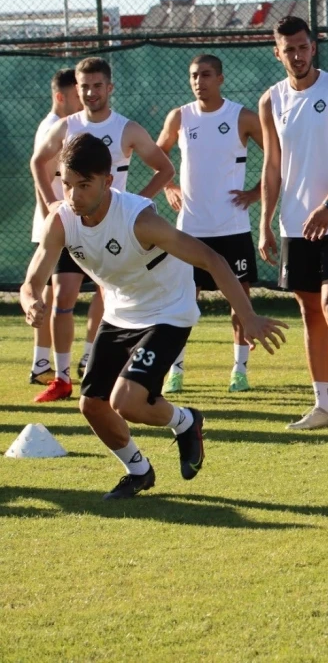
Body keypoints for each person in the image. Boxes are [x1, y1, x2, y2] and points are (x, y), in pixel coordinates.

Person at [21, 133, 288, 500]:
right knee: (92, 405)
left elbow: (212, 260)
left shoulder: (139, 220)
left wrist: (249, 316)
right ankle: (139, 471)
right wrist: (31, 300)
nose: (73, 196)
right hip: (120, 312)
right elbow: (32, 281)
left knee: (126, 402)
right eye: (67, 184)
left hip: (168, 310)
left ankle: (186, 421)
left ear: (107, 181)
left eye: (84, 186)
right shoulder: (61, 221)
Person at [30, 56, 174, 403]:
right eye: (85, 87)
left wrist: (135, 203)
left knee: (113, 301)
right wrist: (52, 203)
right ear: (77, 90)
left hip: (114, 233)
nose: (91, 92)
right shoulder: (66, 126)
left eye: (97, 86)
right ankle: (61, 377)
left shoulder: (128, 129)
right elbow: (38, 161)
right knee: (63, 297)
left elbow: (165, 168)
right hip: (75, 227)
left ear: (110, 88)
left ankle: (100, 365)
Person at [258, 16, 328, 432]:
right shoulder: (271, 100)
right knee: (310, 312)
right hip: (294, 224)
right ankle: (321, 406)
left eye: (303, 47)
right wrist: (265, 222)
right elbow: (272, 166)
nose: (298, 56)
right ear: (277, 53)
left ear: (313, 47)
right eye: (289, 50)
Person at [158, 54, 263, 394]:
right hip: (190, 230)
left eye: (205, 75)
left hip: (232, 228)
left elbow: (279, 157)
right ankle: (175, 371)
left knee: (239, 304)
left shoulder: (242, 116)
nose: (198, 81)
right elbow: (157, 154)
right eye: (193, 75)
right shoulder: (180, 116)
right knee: (182, 304)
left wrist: (256, 192)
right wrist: (169, 186)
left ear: (220, 78)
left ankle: (239, 371)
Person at [28, 69, 83, 387]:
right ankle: (48, 365)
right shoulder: (55, 127)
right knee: (54, 298)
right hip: (55, 227)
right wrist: (50, 214)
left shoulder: (61, 125)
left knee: (49, 298)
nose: (83, 100)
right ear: (60, 97)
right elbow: (43, 175)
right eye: (76, 95)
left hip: (54, 225)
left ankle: (41, 364)